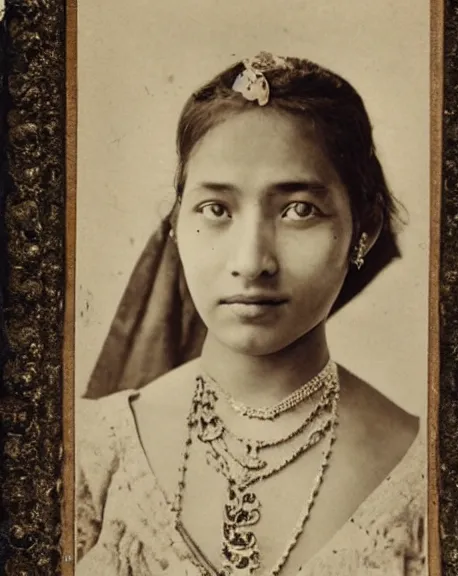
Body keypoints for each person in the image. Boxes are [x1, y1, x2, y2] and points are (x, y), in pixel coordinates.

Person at [75, 52, 427, 576]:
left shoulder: (431, 477)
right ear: (176, 224)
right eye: (216, 210)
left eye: (298, 210)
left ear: (366, 228)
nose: (251, 262)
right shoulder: (91, 453)